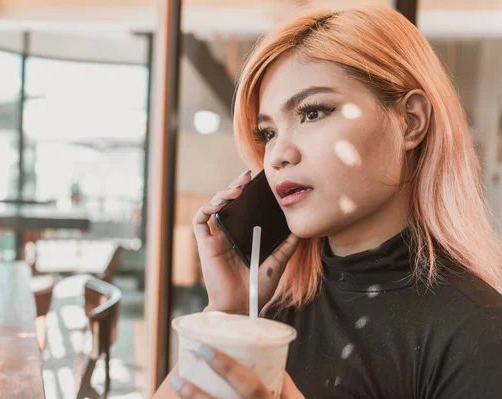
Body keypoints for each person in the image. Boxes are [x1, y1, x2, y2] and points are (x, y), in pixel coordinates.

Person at [155, 5, 502, 398]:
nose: (277, 155)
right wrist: (227, 312)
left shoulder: (478, 332)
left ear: (411, 121)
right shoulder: (269, 312)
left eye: (313, 112)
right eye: (267, 132)